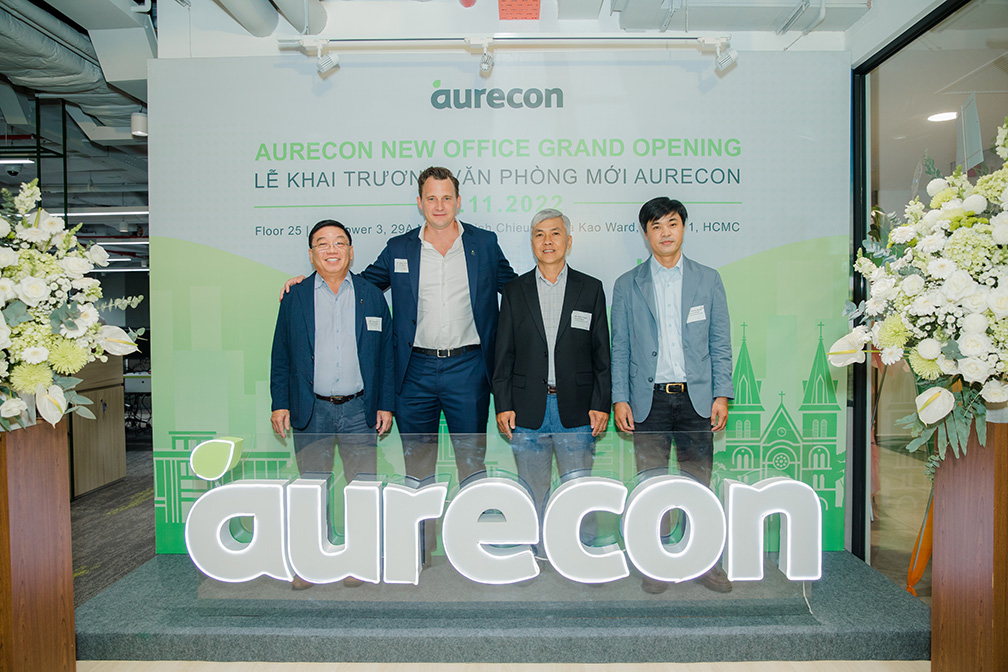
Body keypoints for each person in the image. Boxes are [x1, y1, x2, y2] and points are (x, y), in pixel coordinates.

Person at [610, 197, 733, 594]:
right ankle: (656, 562)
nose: (665, 232)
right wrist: (620, 398)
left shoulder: (707, 279)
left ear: (683, 228)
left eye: (672, 224)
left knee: (699, 484)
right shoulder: (627, 284)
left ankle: (704, 561)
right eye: (656, 226)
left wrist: (722, 393)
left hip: (697, 399)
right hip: (649, 402)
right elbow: (621, 348)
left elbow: (720, 342)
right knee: (654, 487)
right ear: (645, 234)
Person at [270, 219, 394, 589]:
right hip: (311, 408)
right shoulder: (295, 297)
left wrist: (385, 404)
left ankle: (360, 558)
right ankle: (312, 562)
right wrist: (280, 403)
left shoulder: (372, 295)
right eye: (322, 244)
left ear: (351, 251)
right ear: (311, 254)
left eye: (340, 243)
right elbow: (281, 354)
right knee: (312, 486)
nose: (332, 249)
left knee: (362, 488)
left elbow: (386, 355)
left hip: (359, 409)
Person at [493, 209, 610, 556]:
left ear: (568, 241)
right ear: (531, 243)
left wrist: (601, 403)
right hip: (527, 408)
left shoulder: (590, 289)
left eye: (555, 233)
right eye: (540, 234)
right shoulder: (514, 291)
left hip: (576, 409)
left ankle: (582, 549)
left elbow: (602, 353)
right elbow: (504, 354)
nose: (548, 241)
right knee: (532, 488)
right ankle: (536, 550)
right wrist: (503, 404)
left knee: (578, 488)